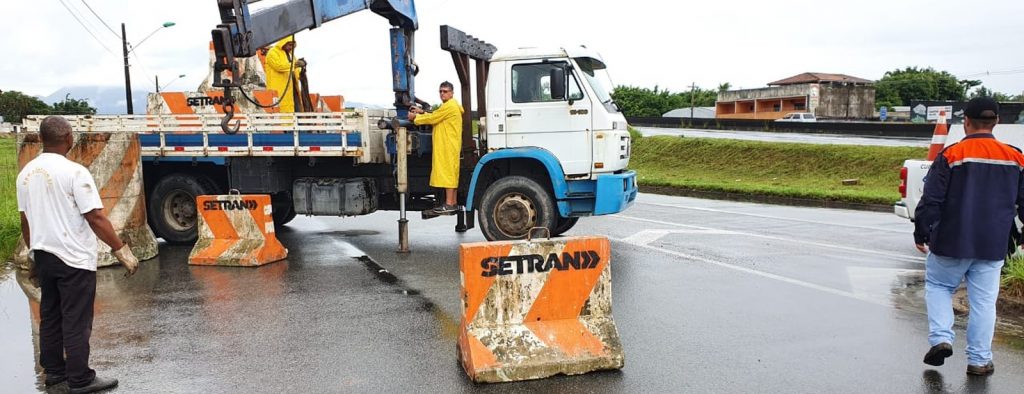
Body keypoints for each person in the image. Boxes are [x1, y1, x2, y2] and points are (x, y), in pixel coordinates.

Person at [17, 116, 140, 393]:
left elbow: (26, 221)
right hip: (73, 257)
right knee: (76, 318)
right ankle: (80, 378)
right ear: (69, 138)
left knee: (51, 315)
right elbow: (96, 217)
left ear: (42, 139)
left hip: (45, 255)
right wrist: (121, 250)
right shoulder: (74, 172)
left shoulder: (26, 174)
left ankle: (55, 375)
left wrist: (34, 254)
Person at [914, 97, 1021, 376]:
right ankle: (979, 360)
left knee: (939, 286)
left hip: (950, 240)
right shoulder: (1016, 156)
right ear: (996, 121)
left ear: (966, 123)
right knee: (984, 302)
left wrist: (921, 231)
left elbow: (931, 199)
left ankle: (941, 339)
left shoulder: (951, 155)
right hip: (993, 244)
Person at [408, 81, 464, 214]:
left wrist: (415, 117)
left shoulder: (449, 106)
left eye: (445, 91)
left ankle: (449, 203)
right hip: (449, 145)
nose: (442, 94)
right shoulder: (450, 106)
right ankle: (453, 202)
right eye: (440, 91)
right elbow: (436, 113)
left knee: (448, 174)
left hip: (447, 146)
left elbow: (433, 118)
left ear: (451, 93)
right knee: (451, 174)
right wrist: (422, 111)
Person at [263, 36, 306, 113]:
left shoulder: (291, 55)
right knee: (281, 111)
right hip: (279, 90)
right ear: (283, 43)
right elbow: (279, 66)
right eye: (289, 45)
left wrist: (301, 70)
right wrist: (295, 64)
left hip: (292, 90)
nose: (291, 47)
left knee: (295, 111)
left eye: (293, 45)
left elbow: (296, 71)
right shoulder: (272, 53)